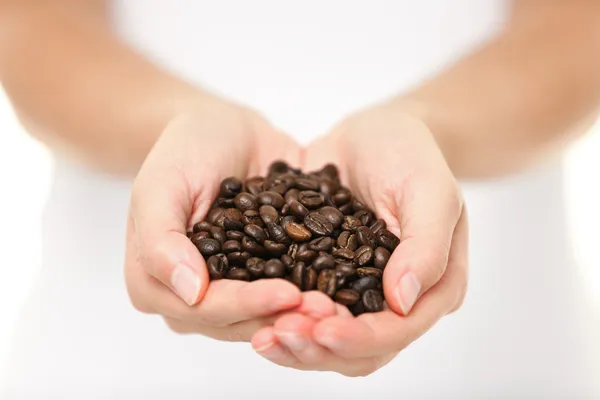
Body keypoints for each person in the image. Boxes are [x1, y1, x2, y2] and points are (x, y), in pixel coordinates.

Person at [1, 0, 599, 398]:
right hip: (109, 364)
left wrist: (429, 127)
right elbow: (33, 27)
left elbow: (579, 31)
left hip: (501, 360)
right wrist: (173, 122)